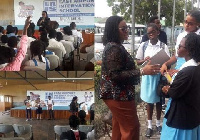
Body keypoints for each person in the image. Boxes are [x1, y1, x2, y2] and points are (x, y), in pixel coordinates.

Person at [100, 16, 161, 140]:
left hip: (117, 94)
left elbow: (119, 68)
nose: (127, 31)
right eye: (123, 29)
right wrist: (142, 71)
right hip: (118, 95)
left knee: (119, 126)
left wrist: (142, 65)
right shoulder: (113, 48)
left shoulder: (115, 46)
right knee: (131, 128)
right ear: (114, 30)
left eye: (127, 28)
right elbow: (115, 75)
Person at [160, 33, 200, 140]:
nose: (177, 48)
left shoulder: (188, 71)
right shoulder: (194, 67)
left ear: (189, 50)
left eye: (180, 46)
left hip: (182, 120)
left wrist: (167, 89)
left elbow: (174, 92)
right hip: (191, 116)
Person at [136, 23, 170, 137]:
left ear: (158, 32)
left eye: (153, 32)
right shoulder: (144, 46)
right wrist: (144, 60)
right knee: (149, 103)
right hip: (147, 78)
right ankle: (149, 126)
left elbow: (168, 63)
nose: (150, 35)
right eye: (148, 33)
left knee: (159, 102)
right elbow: (137, 61)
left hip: (159, 78)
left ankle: (158, 124)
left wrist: (164, 65)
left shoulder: (163, 46)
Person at [161, 10, 200, 74]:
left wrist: (180, 71)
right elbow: (176, 56)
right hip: (179, 70)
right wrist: (165, 64)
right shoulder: (181, 35)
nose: (186, 25)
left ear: (198, 24)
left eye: (190, 24)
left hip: (192, 73)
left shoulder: (198, 37)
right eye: (186, 22)